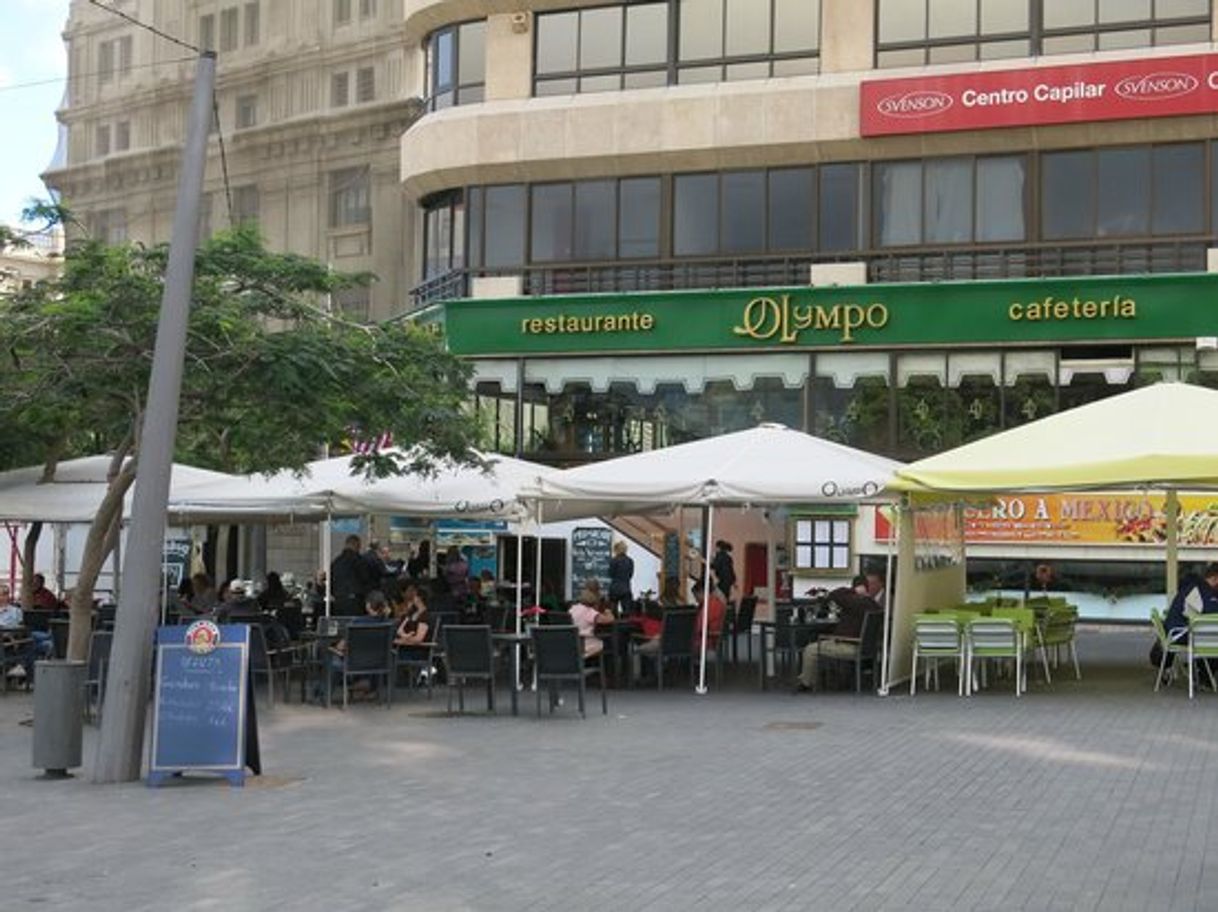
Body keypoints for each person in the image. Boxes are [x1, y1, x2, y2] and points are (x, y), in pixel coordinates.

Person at [795, 575, 881, 692]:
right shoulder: (874, 605)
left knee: (811, 650)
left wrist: (853, 591)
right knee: (827, 642)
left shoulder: (855, 602)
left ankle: (806, 684)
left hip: (850, 646)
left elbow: (834, 595)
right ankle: (814, 679)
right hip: (866, 648)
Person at [1164, 562, 1218, 643]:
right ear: (1215, 578)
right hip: (1180, 634)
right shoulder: (1204, 593)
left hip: (1174, 630)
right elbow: (1212, 615)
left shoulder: (1195, 586)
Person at [331, 534, 375, 617]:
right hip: (355, 601)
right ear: (357, 545)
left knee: (341, 627)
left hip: (338, 601)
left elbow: (331, 582)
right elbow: (366, 579)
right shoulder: (359, 560)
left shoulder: (335, 562)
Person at [568, 585, 614, 658]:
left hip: (573, 643)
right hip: (585, 644)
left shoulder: (573, 608)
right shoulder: (589, 612)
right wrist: (608, 611)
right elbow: (610, 619)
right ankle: (608, 667)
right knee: (609, 644)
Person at [608, 540, 634, 616]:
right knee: (627, 612)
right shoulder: (630, 561)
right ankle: (625, 627)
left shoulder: (614, 560)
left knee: (613, 611)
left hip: (615, 588)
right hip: (626, 587)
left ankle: (614, 626)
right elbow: (630, 575)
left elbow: (610, 574)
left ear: (616, 550)